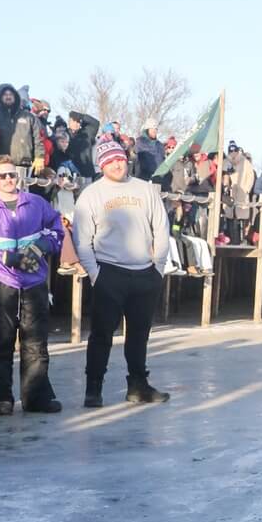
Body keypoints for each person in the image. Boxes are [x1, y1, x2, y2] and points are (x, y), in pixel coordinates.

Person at [73, 135, 172, 407]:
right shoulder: (92, 194)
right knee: (101, 334)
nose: (117, 164)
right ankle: (93, 388)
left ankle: (138, 386)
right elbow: (81, 238)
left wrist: (158, 268)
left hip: (144, 273)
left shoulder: (146, 190)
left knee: (139, 334)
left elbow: (161, 229)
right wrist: (95, 274)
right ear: (101, 166)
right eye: (110, 161)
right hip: (109, 272)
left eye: (120, 159)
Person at [0, 156, 63, 415]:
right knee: (0, 341)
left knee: (36, 342)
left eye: (12, 175)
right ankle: (0, 399)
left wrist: (41, 247)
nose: (8, 180)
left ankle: (36, 398)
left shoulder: (37, 204)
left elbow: (57, 231)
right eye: (2, 176)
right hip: (2, 284)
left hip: (35, 282)